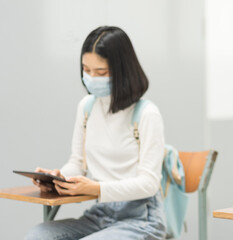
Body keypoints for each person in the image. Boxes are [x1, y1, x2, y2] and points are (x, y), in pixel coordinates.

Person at [26, 26, 166, 240]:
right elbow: (78, 163)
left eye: (101, 72)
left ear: (122, 71)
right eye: (86, 70)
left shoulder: (146, 113)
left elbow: (149, 183)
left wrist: (97, 188)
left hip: (141, 219)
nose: (91, 78)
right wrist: (59, 178)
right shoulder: (87, 107)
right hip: (100, 215)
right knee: (37, 236)